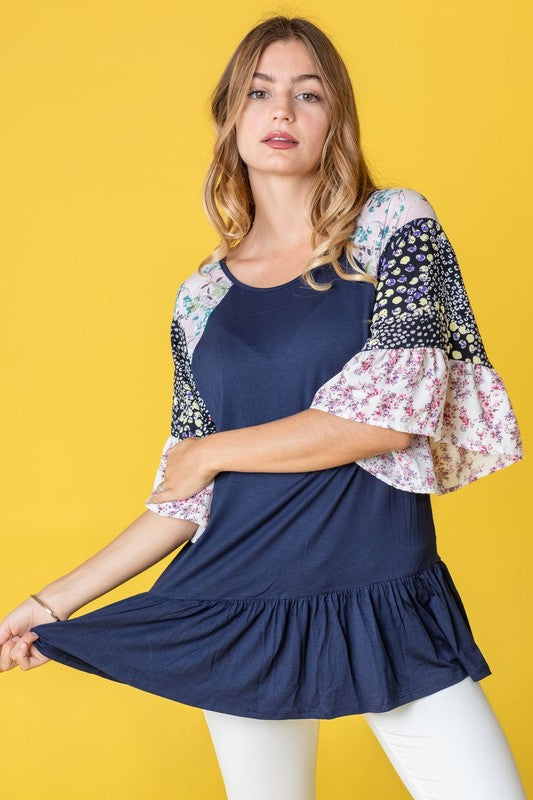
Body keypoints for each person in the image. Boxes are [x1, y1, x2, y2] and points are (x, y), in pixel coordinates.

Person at [1, 15, 528, 800]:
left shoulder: (394, 230)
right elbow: (182, 495)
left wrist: (217, 448)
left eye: (306, 94)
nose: (281, 111)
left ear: (335, 119)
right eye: (259, 92)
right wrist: (50, 603)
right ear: (231, 118)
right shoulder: (201, 296)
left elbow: (386, 420)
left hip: (383, 593)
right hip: (240, 604)